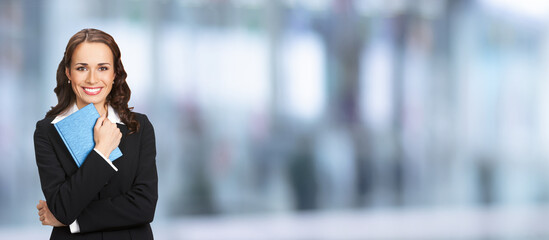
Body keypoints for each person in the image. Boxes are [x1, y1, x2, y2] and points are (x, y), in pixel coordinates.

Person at [33, 28, 158, 240]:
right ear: (68, 73)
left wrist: (74, 221)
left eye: (102, 68)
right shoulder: (47, 132)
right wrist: (101, 152)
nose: (92, 79)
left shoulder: (140, 126)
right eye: (82, 68)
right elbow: (63, 207)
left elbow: (144, 206)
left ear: (114, 73)